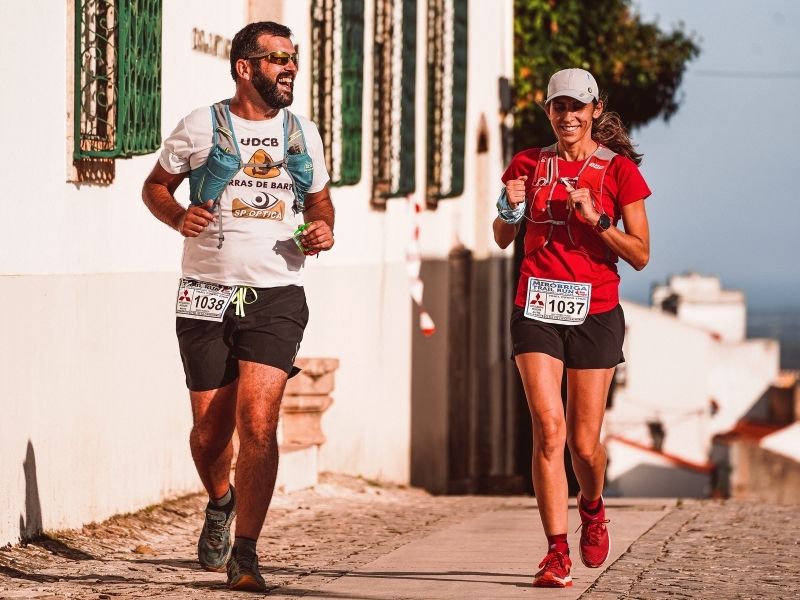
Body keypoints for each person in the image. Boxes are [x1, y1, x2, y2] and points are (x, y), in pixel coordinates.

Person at [142, 21, 334, 593]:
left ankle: (246, 553)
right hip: (205, 292)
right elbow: (155, 185)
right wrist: (177, 216)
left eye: (293, 57)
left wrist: (322, 228)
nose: (290, 67)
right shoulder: (200, 126)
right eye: (277, 58)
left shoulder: (303, 133)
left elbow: (321, 200)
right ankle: (221, 501)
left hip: (277, 294)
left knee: (258, 421)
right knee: (209, 432)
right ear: (244, 67)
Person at [493, 68, 651, 588]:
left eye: (577, 107)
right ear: (548, 111)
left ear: (595, 110)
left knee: (584, 445)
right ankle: (555, 552)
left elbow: (642, 255)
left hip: (596, 311)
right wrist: (510, 207)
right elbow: (500, 237)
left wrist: (598, 222)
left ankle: (592, 505)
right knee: (548, 430)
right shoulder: (528, 164)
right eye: (559, 107)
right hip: (537, 304)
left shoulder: (619, 171)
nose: (568, 116)